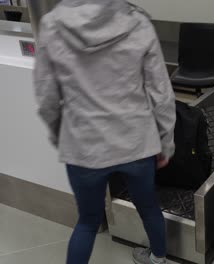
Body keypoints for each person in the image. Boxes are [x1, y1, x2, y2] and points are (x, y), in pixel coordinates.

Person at [33, 0, 175, 263]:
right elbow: (161, 93)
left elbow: (46, 98)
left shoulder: (52, 24)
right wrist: (166, 141)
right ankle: (158, 259)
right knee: (148, 207)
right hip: (136, 141)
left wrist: (58, 134)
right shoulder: (138, 22)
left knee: (87, 221)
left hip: (84, 145)